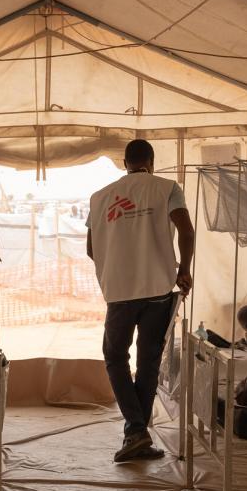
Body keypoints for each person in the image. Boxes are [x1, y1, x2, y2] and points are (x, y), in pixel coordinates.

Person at [86, 139, 195, 462]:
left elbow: (92, 248)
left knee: (114, 356)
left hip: (119, 292)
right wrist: (184, 269)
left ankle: (136, 431)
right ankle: (137, 430)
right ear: (151, 160)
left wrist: (114, 268)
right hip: (158, 289)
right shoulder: (167, 187)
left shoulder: (99, 197)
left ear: (125, 162)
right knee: (148, 360)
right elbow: (186, 232)